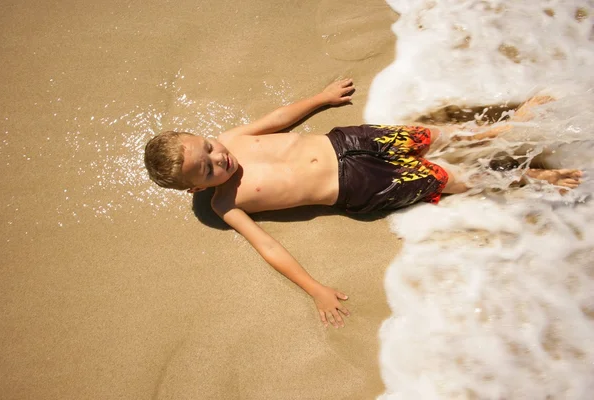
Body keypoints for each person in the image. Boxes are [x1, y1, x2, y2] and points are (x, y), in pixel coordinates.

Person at [144, 79, 582, 328]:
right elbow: (268, 247)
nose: (219, 158)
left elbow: (278, 118)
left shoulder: (234, 138)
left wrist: (319, 98)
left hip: (349, 140)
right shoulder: (227, 205)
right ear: (196, 189)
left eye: (208, 146)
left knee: (428, 136)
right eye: (207, 169)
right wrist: (315, 289)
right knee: (443, 179)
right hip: (358, 183)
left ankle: (498, 132)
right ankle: (526, 176)